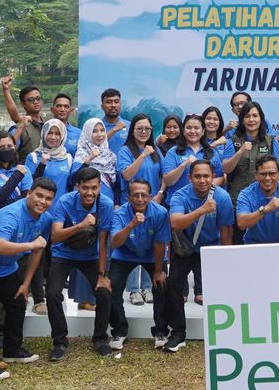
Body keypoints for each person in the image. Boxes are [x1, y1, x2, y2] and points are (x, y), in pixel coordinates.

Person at [0, 178, 53, 376]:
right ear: (28, 193)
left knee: (17, 302)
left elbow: (38, 251)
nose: (42, 201)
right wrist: (30, 245)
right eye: (39, 195)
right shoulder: (12, 215)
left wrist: (26, 283)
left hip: (8, 268)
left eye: (48, 198)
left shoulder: (46, 218)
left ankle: (12, 350)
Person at [36, 166, 117, 361]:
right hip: (63, 253)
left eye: (94, 188)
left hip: (91, 256)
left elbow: (103, 240)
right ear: (77, 187)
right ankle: (60, 341)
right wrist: (80, 225)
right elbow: (55, 236)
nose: (90, 192)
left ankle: (100, 338)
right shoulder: (64, 201)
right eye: (85, 188)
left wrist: (102, 275)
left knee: (104, 292)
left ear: (99, 187)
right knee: (53, 293)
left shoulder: (105, 204)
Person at [162, 160, 234, 350]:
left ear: (213, 178)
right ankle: (178, 333)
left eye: (206, 176)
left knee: (219, 290)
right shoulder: (180, 195)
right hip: (186, 249)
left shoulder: (223, 197)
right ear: (189, 178)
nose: (202, 180)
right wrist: (201, 210)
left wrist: (225, 257)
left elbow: (226, 230)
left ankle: (221, 332)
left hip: (211, 248)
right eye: (197, 176)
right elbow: (175, 223)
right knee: (175, 286)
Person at [99, 178, 171, 352]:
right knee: (112, 290)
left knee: (161, 286)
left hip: (152, 255)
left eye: (144, 195)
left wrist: (158, 270)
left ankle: (160, 331)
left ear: (150, 196)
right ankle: (119, 330)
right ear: (128, 197)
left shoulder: (160, 213)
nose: (140, 199)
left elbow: (160, 244)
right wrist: (131, 224)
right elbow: (114, 243)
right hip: (124, 254)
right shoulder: (120, 214)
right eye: (135, 195)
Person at [115, 114, 163, 305]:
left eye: (147, 129)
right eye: (139, 128)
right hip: (132, 204)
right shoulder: (126, 151)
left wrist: (159, 193)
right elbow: (127, 175)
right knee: (132, 244)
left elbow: (164, 175)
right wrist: (142, 155)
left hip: (153, 204)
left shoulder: (156, 151)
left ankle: (147, 286)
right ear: (132, 130)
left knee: (150, 245)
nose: (144, 132)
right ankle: (133, 289)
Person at [235, 155, 279, 244]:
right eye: (263, 174)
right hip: (254, 246)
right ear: (256, 175)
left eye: (272, 173)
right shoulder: (246, 194)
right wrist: (265, 209)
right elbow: (241, 223)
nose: (267, 178)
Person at [160, 114, 222, 208]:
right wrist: (184, 164)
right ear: (183, 131)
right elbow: (168, 181)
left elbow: (220, 177)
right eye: (188, 128)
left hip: (204, 204)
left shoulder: (212, 152)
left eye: (196, 128)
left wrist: (204, 187)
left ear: (203, 131)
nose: (192, 131)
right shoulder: (173, 152)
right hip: (178, 204)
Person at [220, 100, 276, 203]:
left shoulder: (271, 141)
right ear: (242, 120)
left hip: (264, 198)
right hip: (238, 198)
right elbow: (225, 169)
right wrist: (240, 152)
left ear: (261, 118)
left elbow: (278, 170)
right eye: (247, 116)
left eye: (255, 116)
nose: (251, 120)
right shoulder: (232, 141)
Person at [72, 117, 120, 203]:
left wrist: (116, 203)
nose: (99, 134)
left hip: (107, 201)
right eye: (94, 131)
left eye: (102, 130)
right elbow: (73, 180)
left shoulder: (110, 155)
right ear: (87, 133)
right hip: (85, 201)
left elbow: (117, 182)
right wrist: (88, 160)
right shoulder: (82, 154)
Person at [0, 76, 46, 157]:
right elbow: (9, 152)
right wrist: (6, 91)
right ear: (22, 104)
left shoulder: (48, 126)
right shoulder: (20, 128)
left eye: (38, 98)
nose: (35, 102)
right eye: (31, 100)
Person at [0, 130, 29, 210]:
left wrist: (1, 205)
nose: (6, 149)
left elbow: (27, 197)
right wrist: (17, 175)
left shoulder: (24, 169)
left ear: (15, 148)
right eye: (1, 147)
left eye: (9, 146)